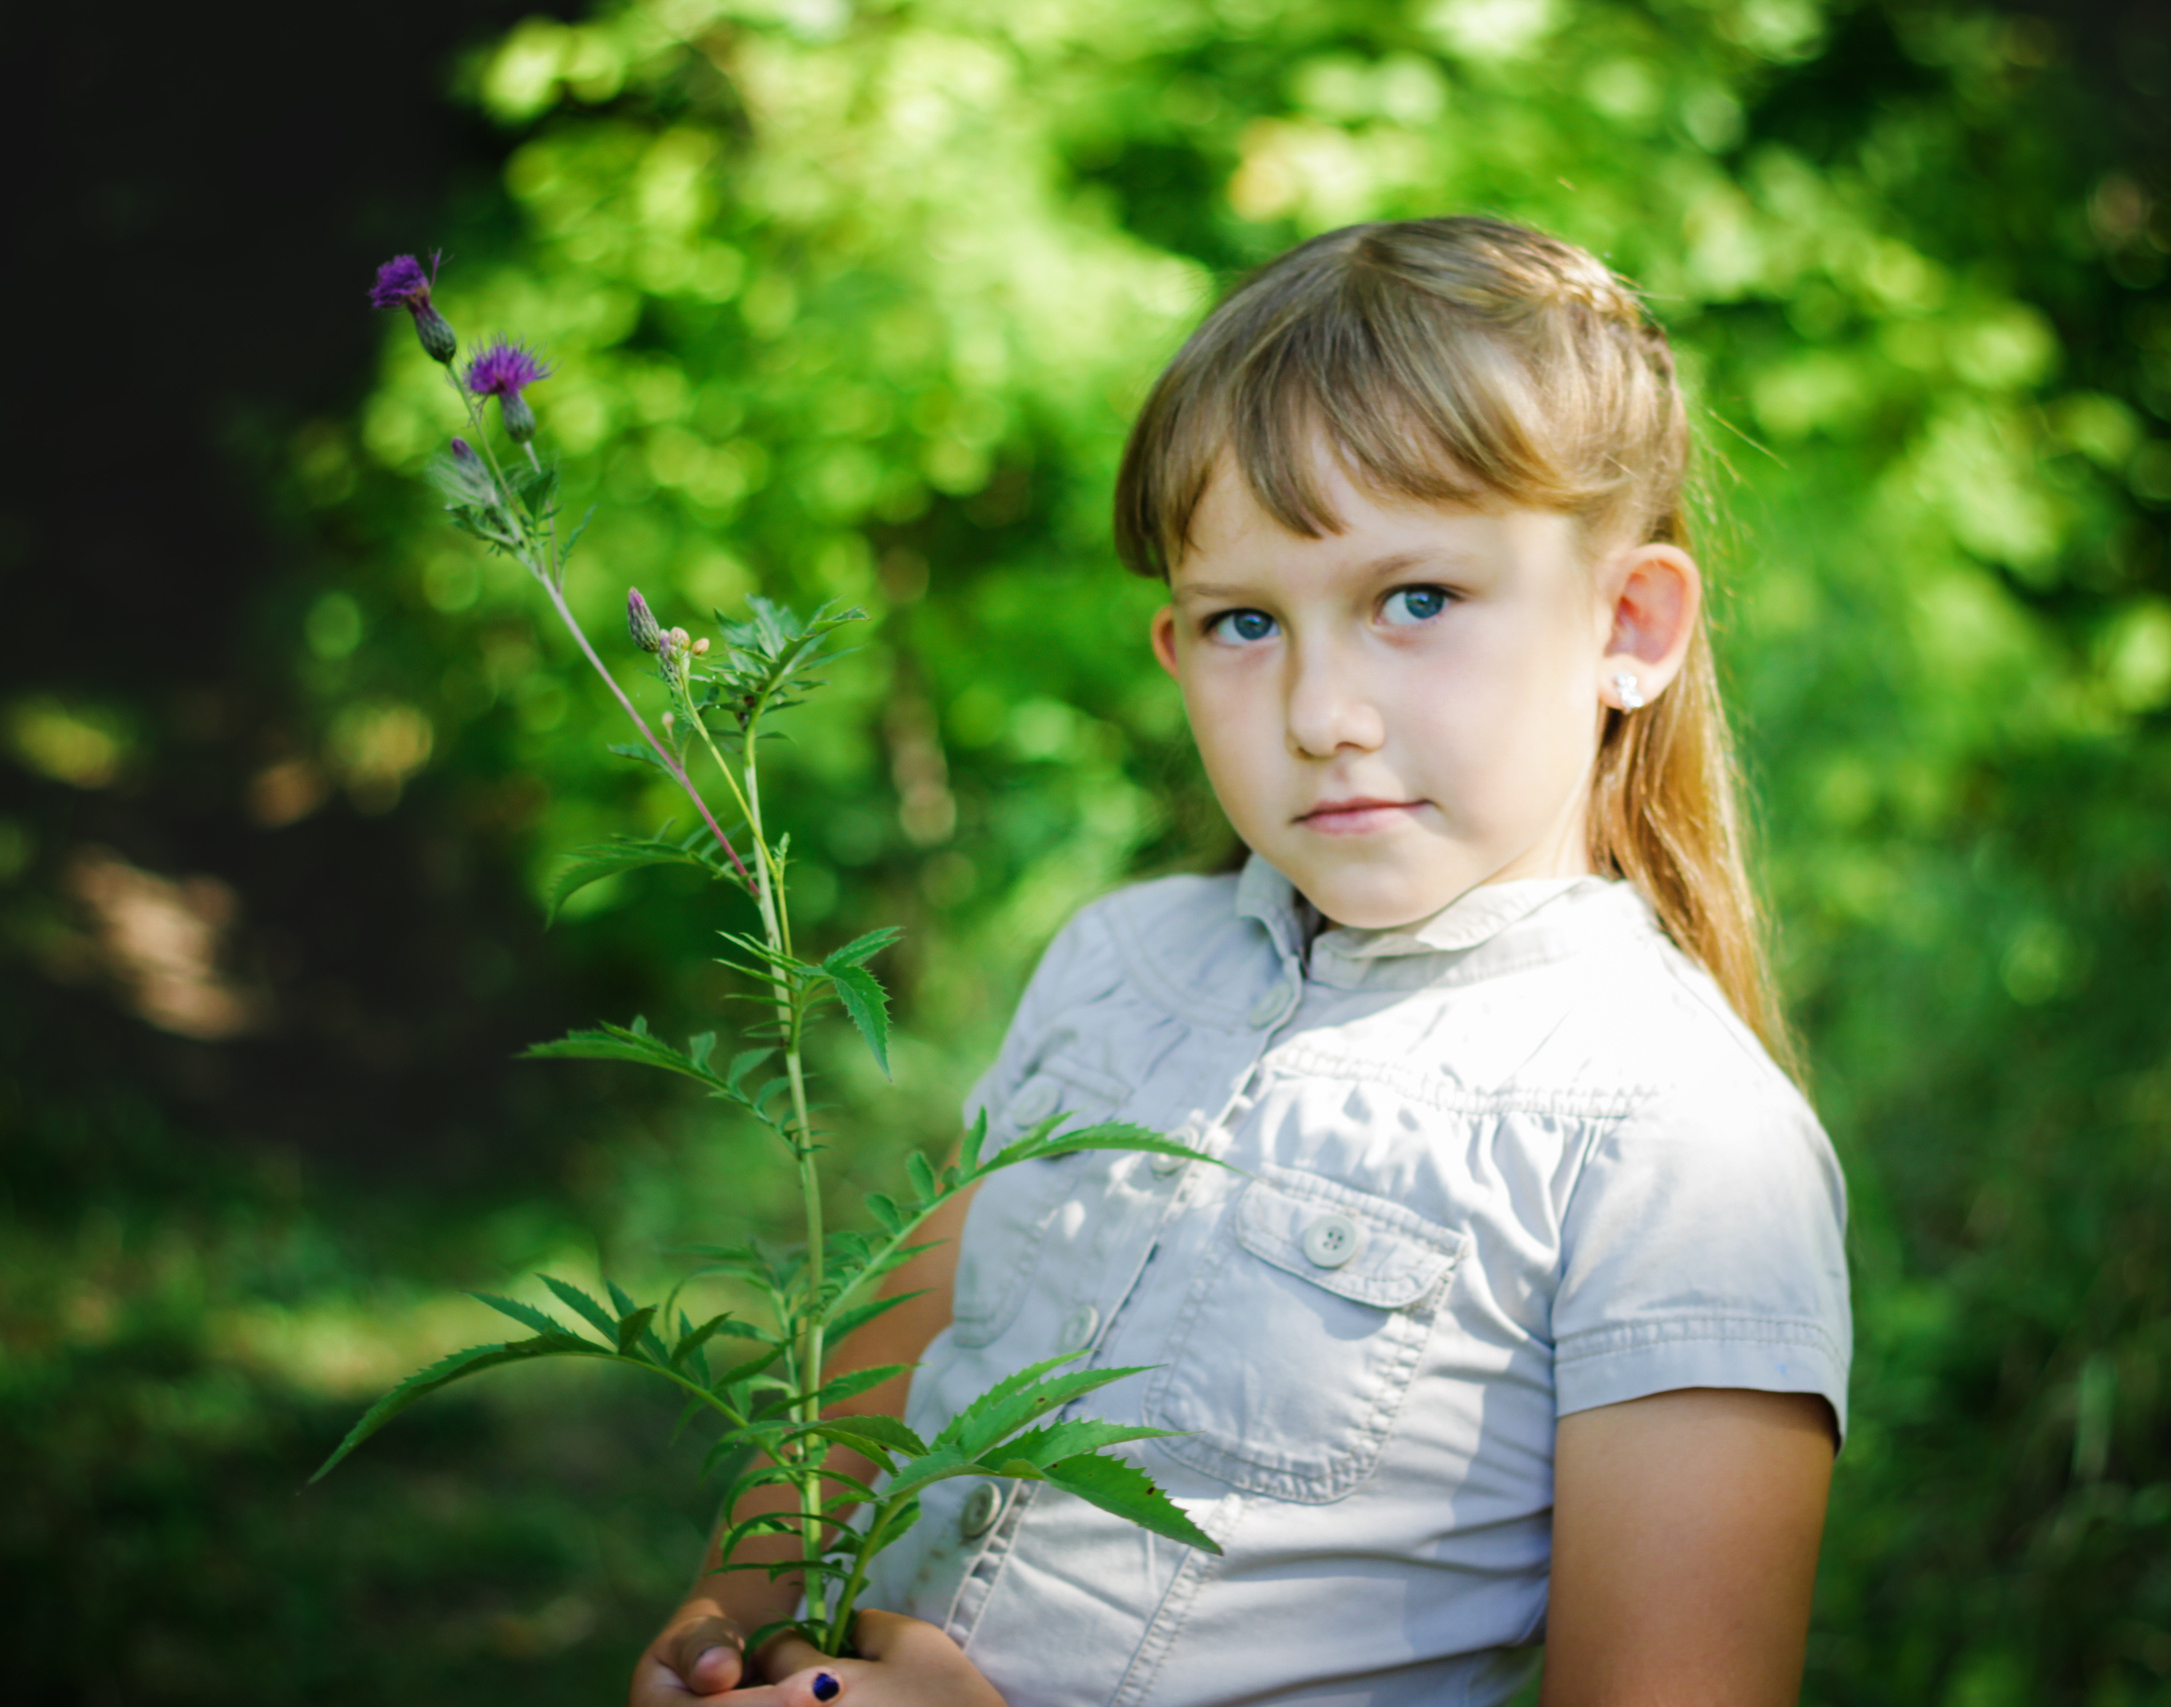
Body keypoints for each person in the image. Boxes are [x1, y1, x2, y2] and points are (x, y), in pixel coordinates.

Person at [628, 215, 1851, 1707]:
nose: (1322, 710)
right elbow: (882, 1369)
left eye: (1419, 601)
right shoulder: (1112, 959)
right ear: (1172, 647)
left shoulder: (1682, 1140)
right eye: (1246, 622)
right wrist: (718, 1622)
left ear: (1631, 624)